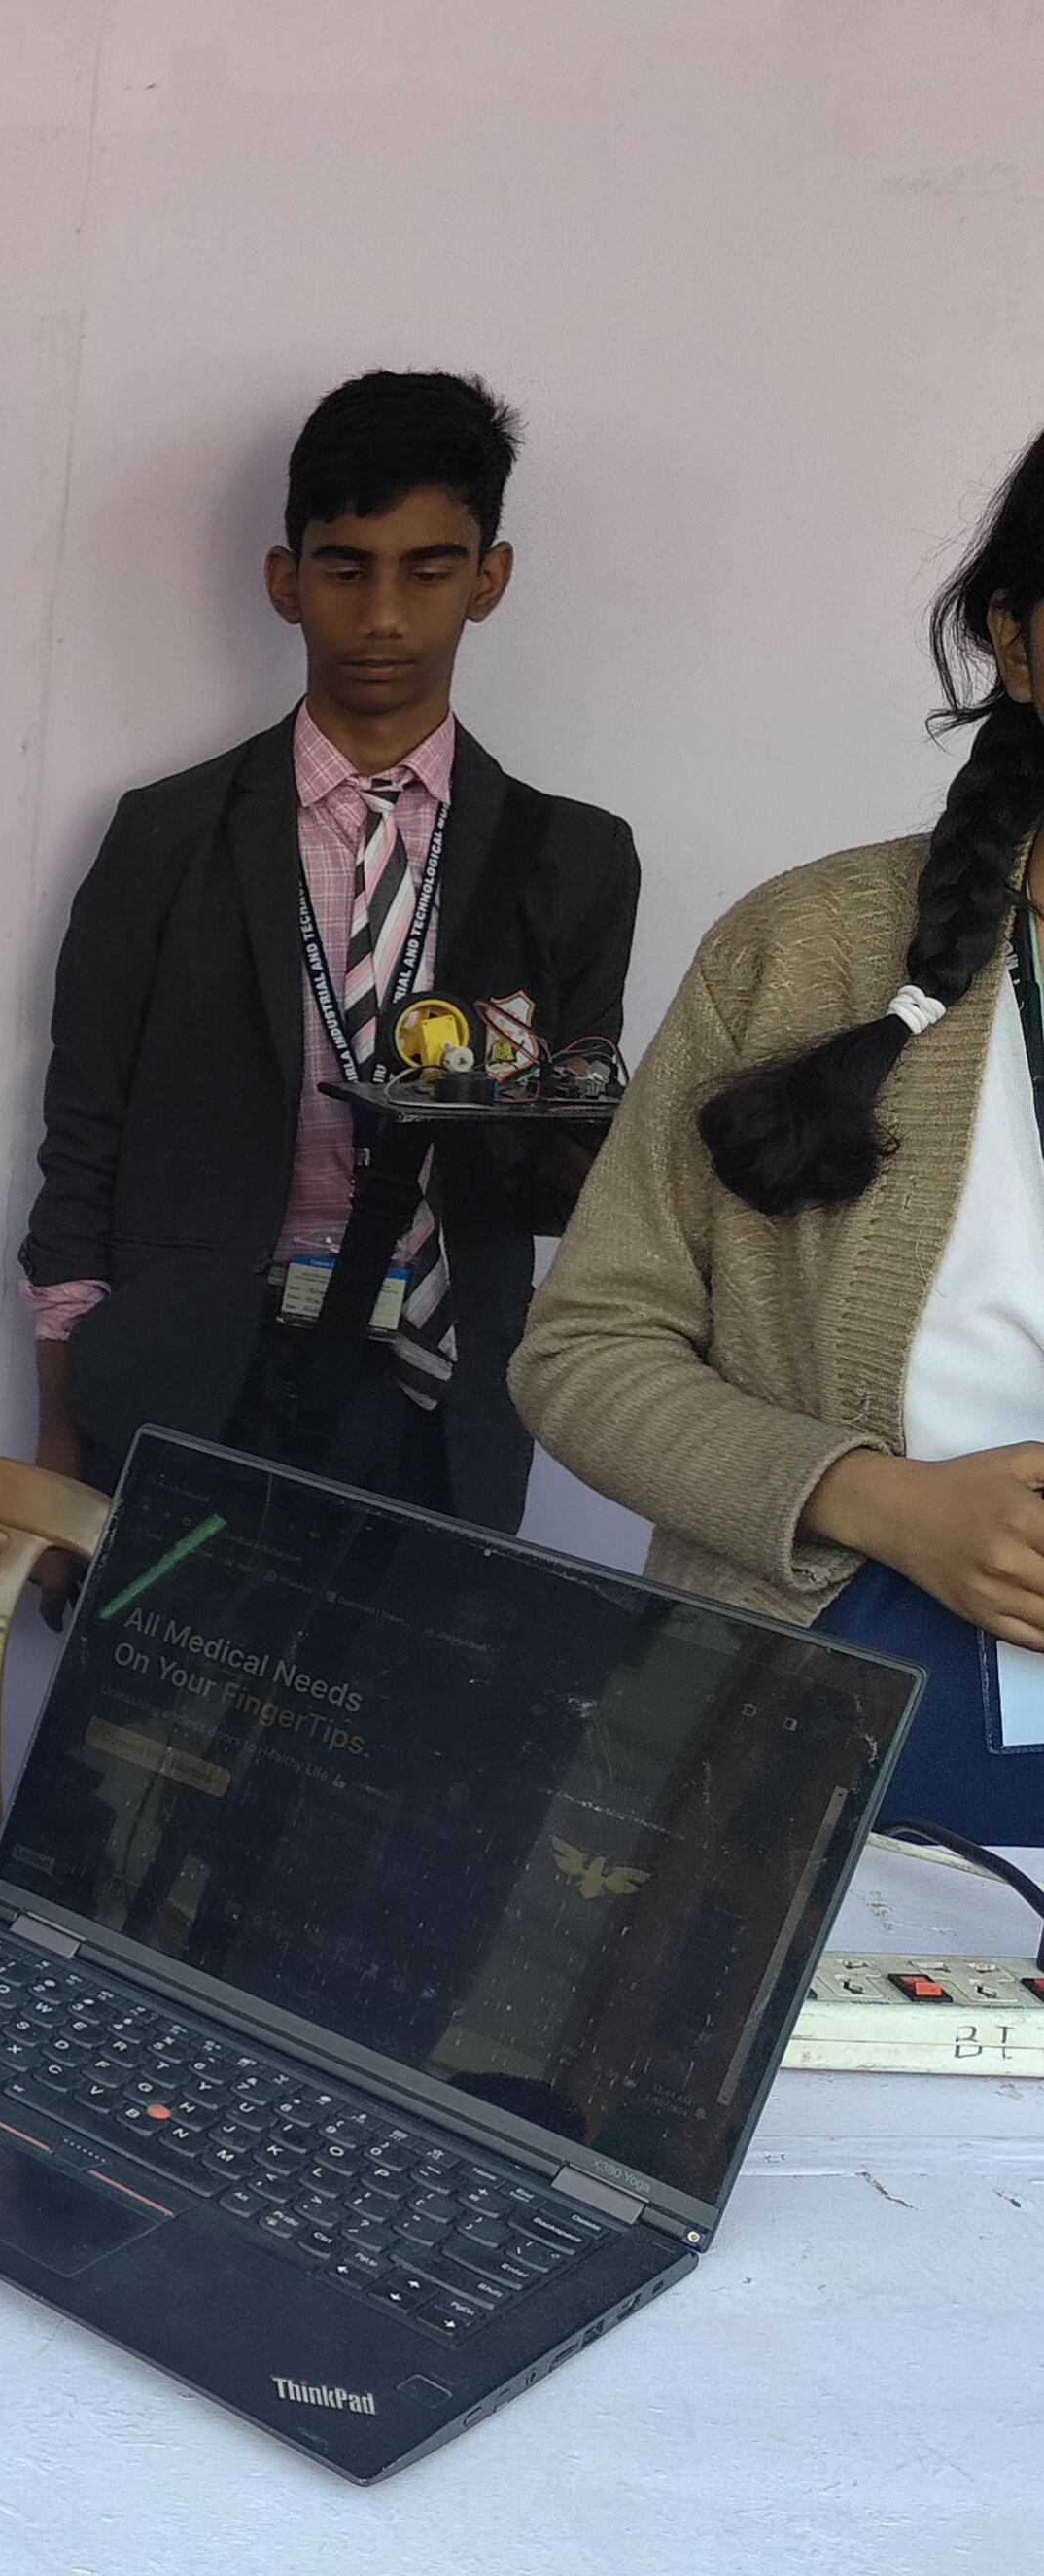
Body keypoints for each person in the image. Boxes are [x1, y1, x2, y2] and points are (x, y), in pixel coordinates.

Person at [515, 424, 1044, 1845]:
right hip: (814, 1720)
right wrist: (874, 1502)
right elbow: (584, 1349)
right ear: (1016, 642)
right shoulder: (806, 950)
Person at [23, 371, 640, 1533]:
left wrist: (589, 1148)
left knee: (407, 1661)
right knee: (167, 1662)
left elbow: (558, 1178)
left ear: (489, 579)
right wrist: (60, 1437)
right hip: (195, 1378)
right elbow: (82, 1132)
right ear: (285, 579)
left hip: (445, 1400)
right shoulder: (165, 836)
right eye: (346, 568)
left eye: (429, 569)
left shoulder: (573, 858)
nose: (385, 615)